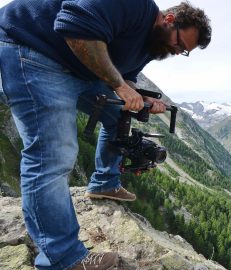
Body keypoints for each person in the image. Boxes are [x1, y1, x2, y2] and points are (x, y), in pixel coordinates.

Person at [0, 0, 211, 269]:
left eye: (184, 52)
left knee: (118, 116)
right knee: (52, 156)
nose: (177, 50)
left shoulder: (151, 45)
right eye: (180, 44)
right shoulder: (134, 6)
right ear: (169, 19)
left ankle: (104, 182)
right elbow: (75, 28)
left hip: (77, 66)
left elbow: (125, 78)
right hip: (33, 49)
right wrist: (121, 87)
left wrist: (143, 99)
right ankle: (62, 258)